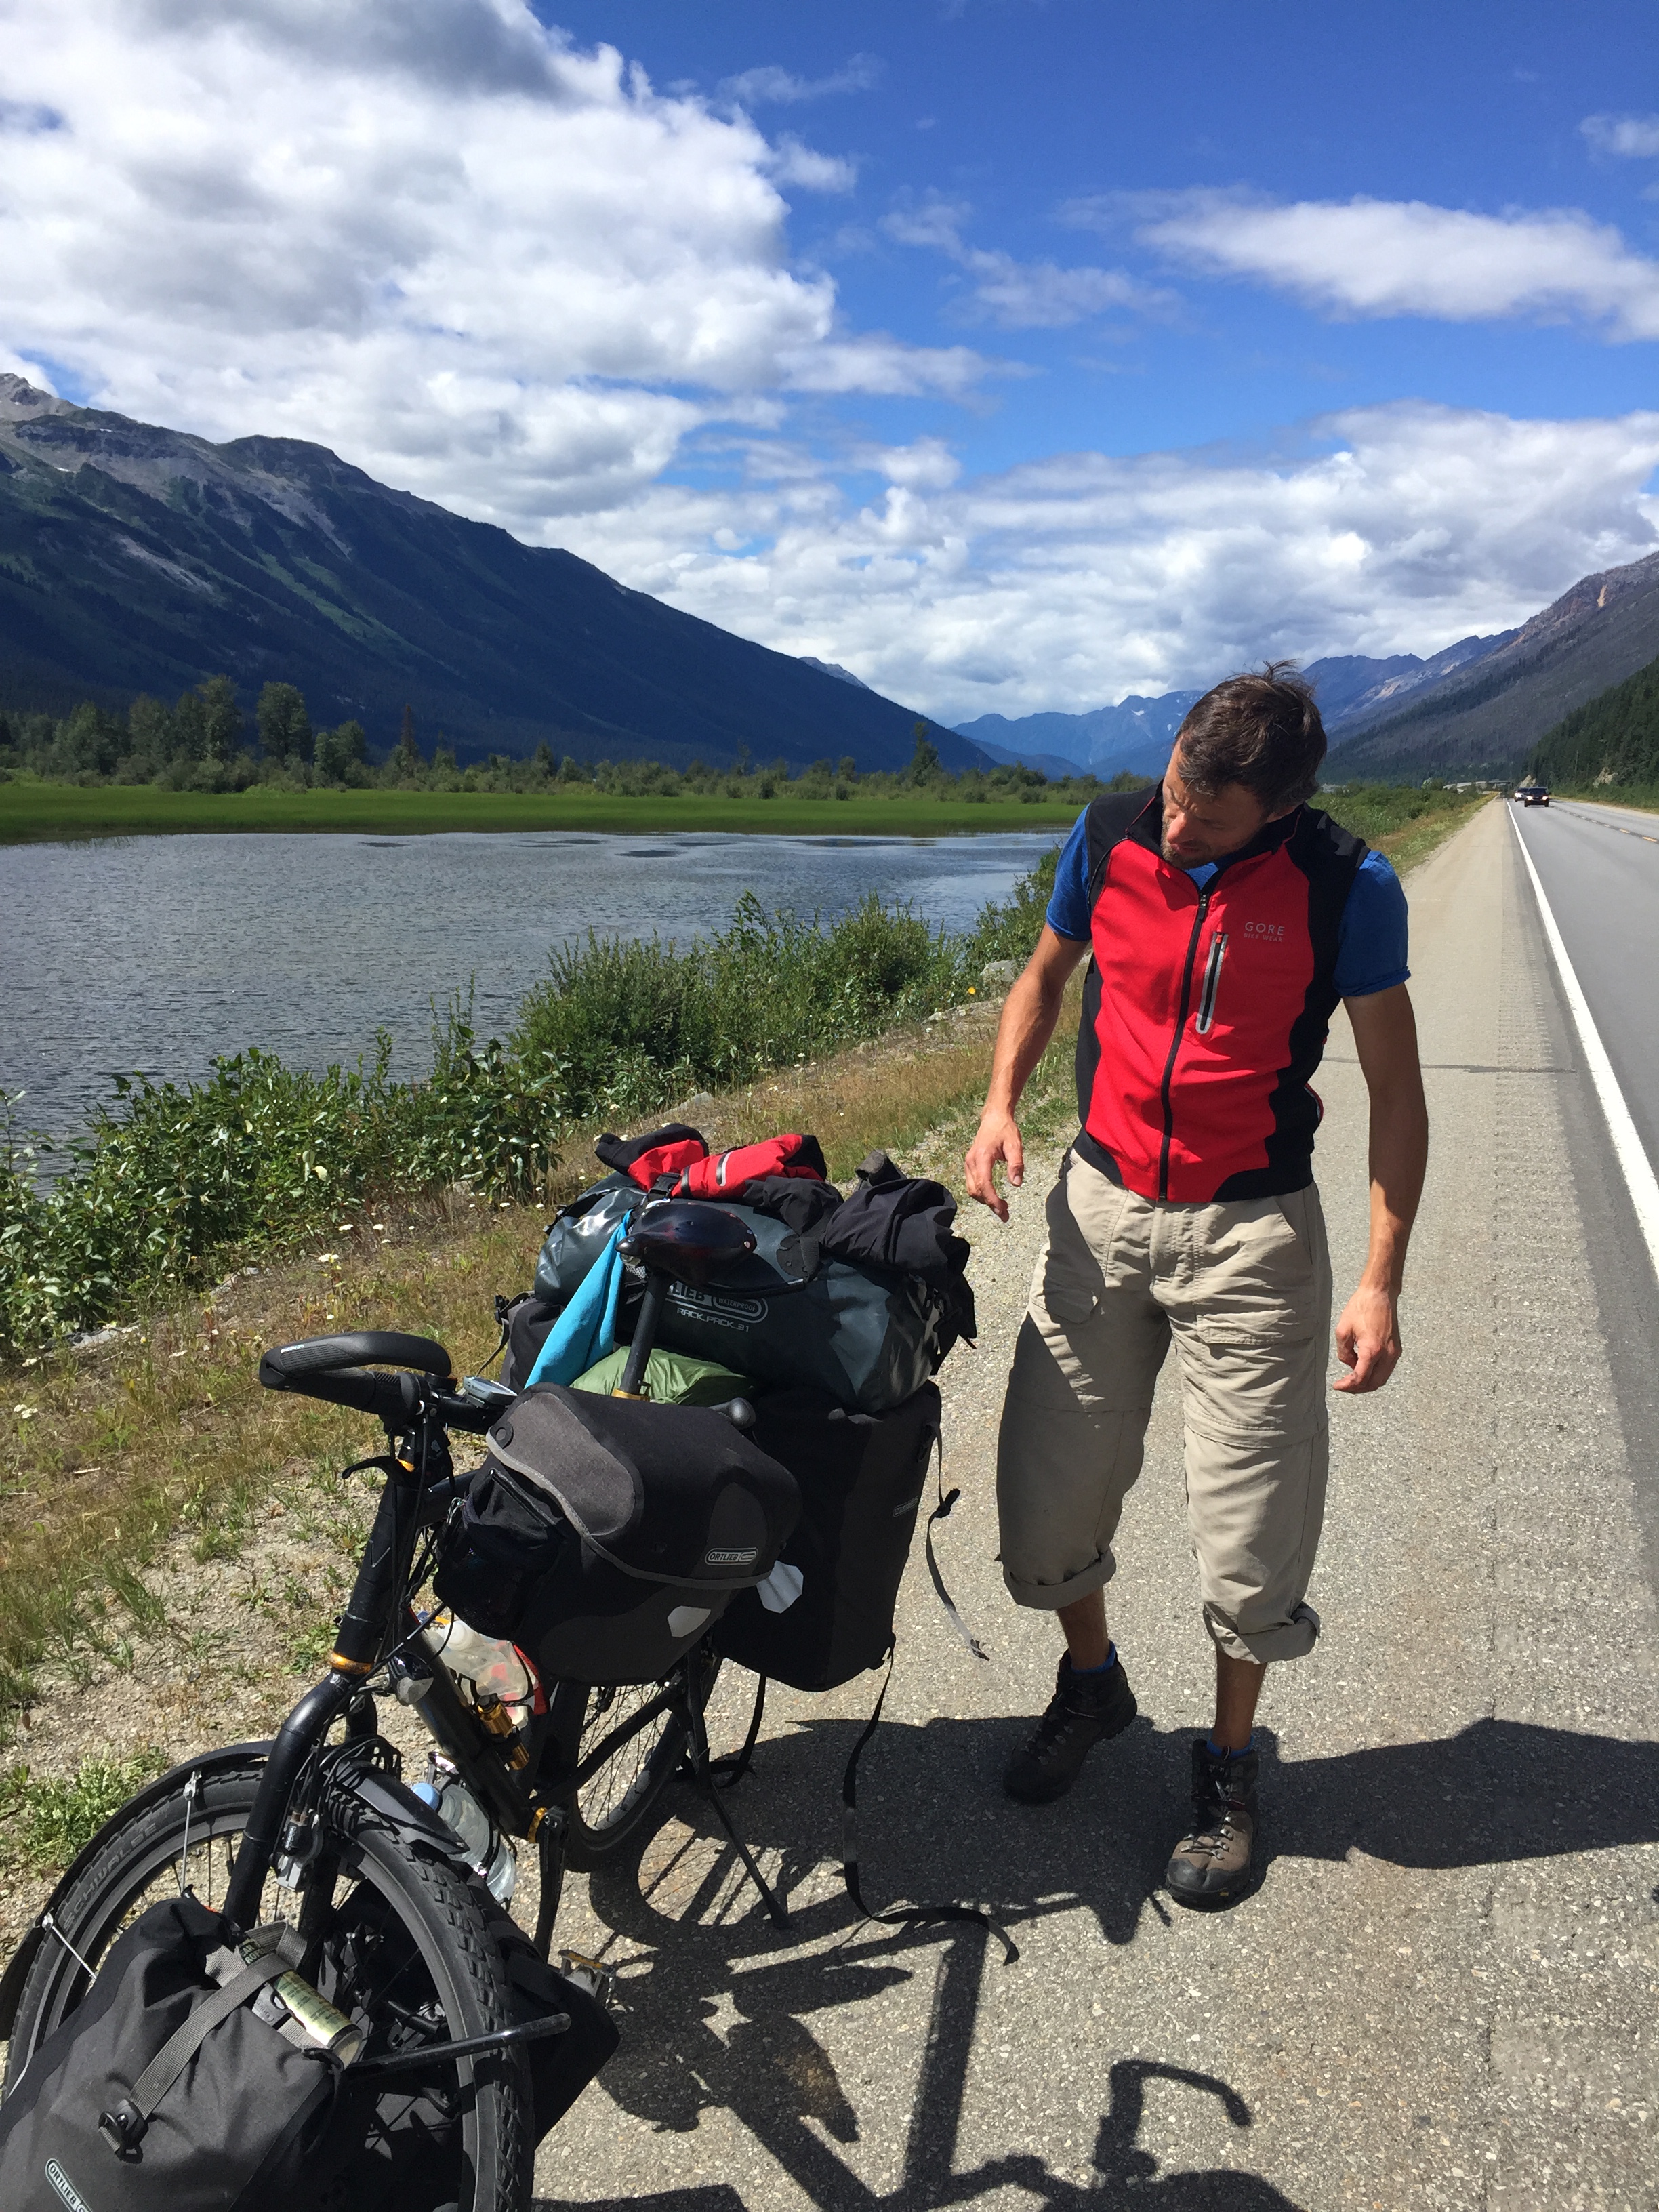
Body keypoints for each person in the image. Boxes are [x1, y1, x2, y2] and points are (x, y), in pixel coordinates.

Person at [963, 664, 1427, 1904]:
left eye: (1208, 819)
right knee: (1046, 1506)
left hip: (1253, 1236)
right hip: (1100, 1211)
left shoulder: (1347, 886)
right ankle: (1093, 1685)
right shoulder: (1107, 834)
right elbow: (1043, 979)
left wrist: (1380, 1279)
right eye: (1173, 793)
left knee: (1249, 1534)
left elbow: (1397, 1093)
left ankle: (1228, 1766)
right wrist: (1001, 1105)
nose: (1175, 827)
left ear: (1281, 810)